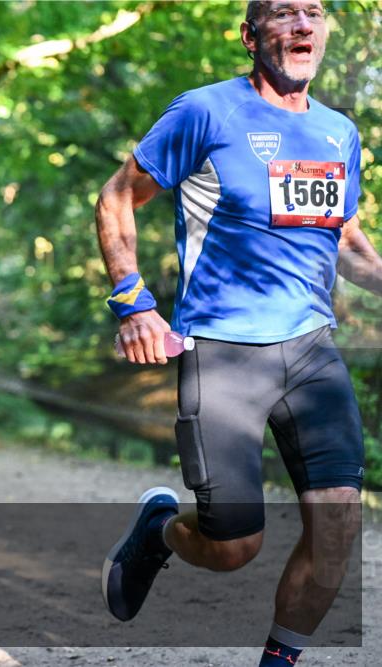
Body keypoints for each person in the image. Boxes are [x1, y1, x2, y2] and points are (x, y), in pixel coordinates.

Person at [95, 2, 381, 665]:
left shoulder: (339, 134)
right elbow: (116, 197)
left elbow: (345, 243)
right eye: (285, 14)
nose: (304, 25)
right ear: (251, 37)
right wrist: (133, 302)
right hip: (223, 353)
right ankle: (160, 531)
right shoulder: (205, 113)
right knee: (232, 546)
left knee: (338, 520)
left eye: (314, 13)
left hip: (312, 349)